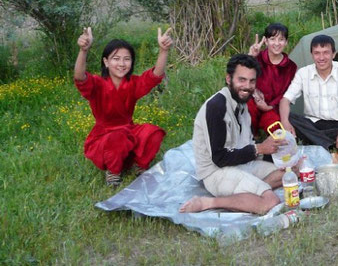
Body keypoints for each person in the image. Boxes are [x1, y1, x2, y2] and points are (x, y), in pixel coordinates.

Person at [179, 54, 287, 215]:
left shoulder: (242, 104)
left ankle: (247, 194)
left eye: (252, 81)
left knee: (291, 170)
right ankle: (208, 202)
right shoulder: (217, 107)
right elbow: (220, 158)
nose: (247, 86)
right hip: (216, 172)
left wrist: (276, 152)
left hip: (240, 163)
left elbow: (245, 145)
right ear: (229, 79)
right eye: (241, 80)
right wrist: (259, 149)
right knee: (270, 202)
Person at [73, 27, 173, 186]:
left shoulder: (133, 83)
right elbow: (80, 77)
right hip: (105, 137)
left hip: (128, 130)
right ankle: (113, 171)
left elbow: (154, 76)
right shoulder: (97, 84)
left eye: (126, 59)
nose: (121, 63)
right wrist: (83, 50)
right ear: (106, 62)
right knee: (117, 137)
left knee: (153, 132)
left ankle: (138, 165)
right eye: (116, 58)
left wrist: (163, 50)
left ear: (132, 62)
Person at [279, 35, 338, 149]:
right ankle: (330, 144)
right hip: (314, 124)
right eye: (317, 53)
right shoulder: (303, 73)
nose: (321, 57)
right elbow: (285, 100)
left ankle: (317, 141)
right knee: (287, 117)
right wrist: (285, 122)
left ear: (333, 54)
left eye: (326, 52)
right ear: (312, 55)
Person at [247, 23, 297, 137]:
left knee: (277, 131)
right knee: (247, 109)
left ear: (286, 42)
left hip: (272, 108)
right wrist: (250, 56)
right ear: (266, 41)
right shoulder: (257, 58)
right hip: (253, 102)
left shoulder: (291, 67)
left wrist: (269, 107)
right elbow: (241, 76)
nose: (277, 43)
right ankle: (251, 137)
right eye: (273, 39)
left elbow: (286, 93)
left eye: (281, 39)